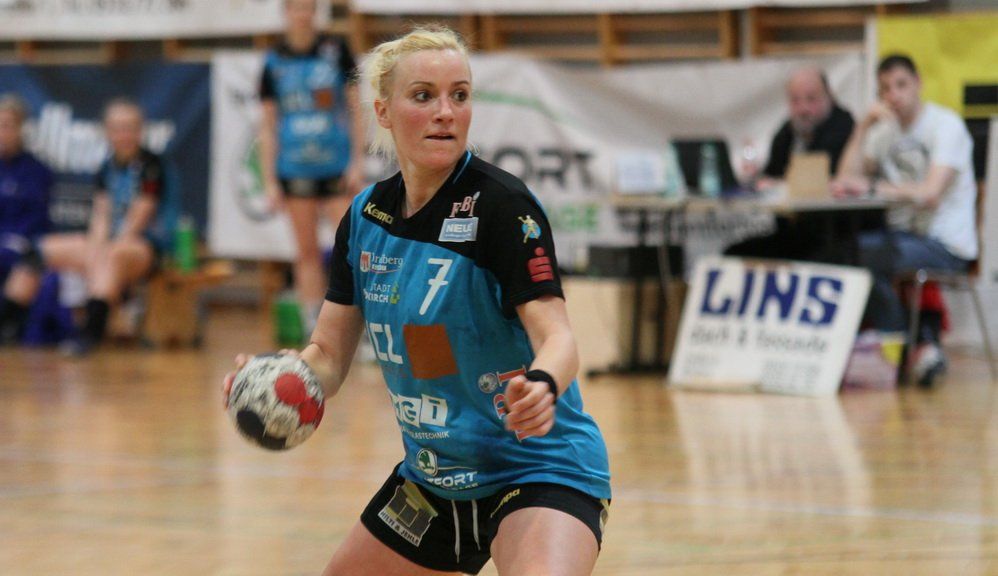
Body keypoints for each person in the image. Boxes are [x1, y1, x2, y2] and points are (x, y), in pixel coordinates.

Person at [226, 26, 612, 576]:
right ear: (383, 111)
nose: (445, 113)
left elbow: (559, 336)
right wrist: (277, 377)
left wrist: (544, 384)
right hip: (433, 479)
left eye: (460, 95)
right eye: (424, 96)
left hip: (537, 467)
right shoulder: (366, 218)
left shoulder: (502, 207)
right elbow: (328, 356)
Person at [833, 54, 978, 387]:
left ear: (918, 84)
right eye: (885, 89)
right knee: (849, 253)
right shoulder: (885, 132)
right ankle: (917, 345)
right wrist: (862, 128)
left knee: (862, 256)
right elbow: (844, 180)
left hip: (946, 243)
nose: (894, 95)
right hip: (905, 238)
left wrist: (872, 187)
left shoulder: (946, 126)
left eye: (901, 85)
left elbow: (930, 193)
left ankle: (909, 345)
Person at [2, 98, 175, 356]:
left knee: (110, 256)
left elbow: (139, 218)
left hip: (146, 245)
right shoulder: (106, 167)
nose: (123, 135)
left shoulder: (152, 166)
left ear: (140, 131)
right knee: (39, 250)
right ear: (106, 132)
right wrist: (95, 245)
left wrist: (100, 252)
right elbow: (101, 215)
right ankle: (8, 323)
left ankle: (91, 331)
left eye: (129, 128)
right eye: (117, 129)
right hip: (111, 243)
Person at [259, 0, 366, 335]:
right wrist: (270, 179)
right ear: (286, 13)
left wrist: (357, 161)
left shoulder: (336, 50)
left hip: (335, 164)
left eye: (308, 7)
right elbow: (268, 125)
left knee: (351, 248)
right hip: (294, 168)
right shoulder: (273, 61)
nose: (303, 14)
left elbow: (355, 109)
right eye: (297, 8)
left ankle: (361, 325)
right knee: (306, 251)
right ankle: (314, 327)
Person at [726, 66, 856, 261]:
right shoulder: (787, 132)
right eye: (795, 100)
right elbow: (769, 176)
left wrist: (779, 183)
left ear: (829, 97)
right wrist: (756, 178)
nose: (803, 109)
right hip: (792, 233)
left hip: (833, 236)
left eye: (811, 99)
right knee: (733, 254)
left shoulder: (844, 126)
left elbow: (821, 178)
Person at [0, 93, 53, 344]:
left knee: (24, 265)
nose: (2, 132)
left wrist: (12, 240)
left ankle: (8, 325)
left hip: (19, 245)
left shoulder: (37, 171)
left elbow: (37, 219)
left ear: (21, 129)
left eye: (7, 126)